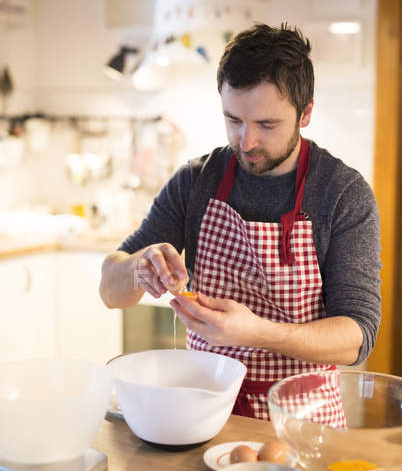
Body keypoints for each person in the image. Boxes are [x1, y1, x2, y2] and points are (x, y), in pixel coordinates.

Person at [100, 23, 381, 422]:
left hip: (301, 420)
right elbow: (110, 291)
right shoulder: (197, 181)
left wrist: (256, 332)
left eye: (266, 125)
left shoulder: (342, 193)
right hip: (203, 411)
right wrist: (138, 267)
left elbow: (357, 337)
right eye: (233, 119)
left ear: (307, 113)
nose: (246, 141)